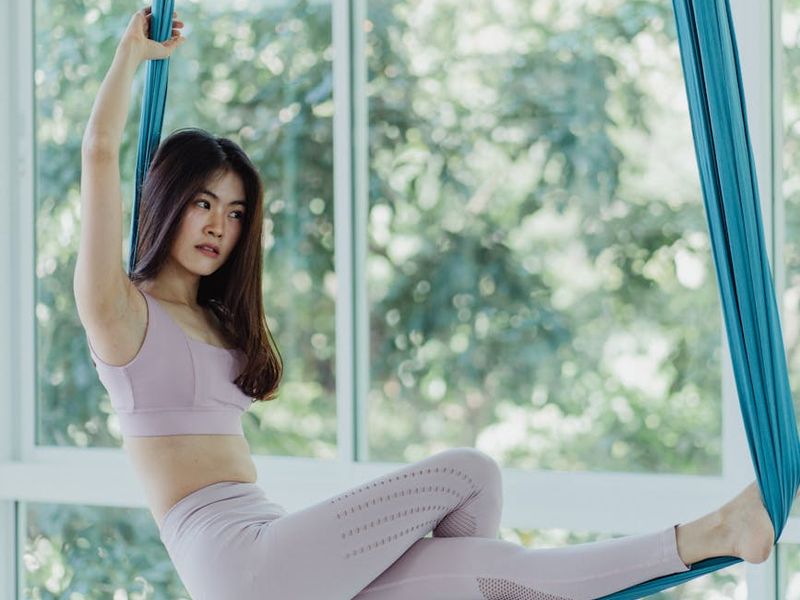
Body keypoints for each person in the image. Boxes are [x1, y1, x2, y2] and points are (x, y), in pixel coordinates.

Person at [74, 6, 782, 600]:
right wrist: (130, 56)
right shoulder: (120, 314)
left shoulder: (219, 321)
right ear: (167, 200)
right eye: (202, 203)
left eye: (234, 212)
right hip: (239, 566)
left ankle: (711, 533)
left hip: (276, 546)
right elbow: (101, 152)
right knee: (468, 474)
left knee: (493, 559)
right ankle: (706, 534)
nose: (218, 227)